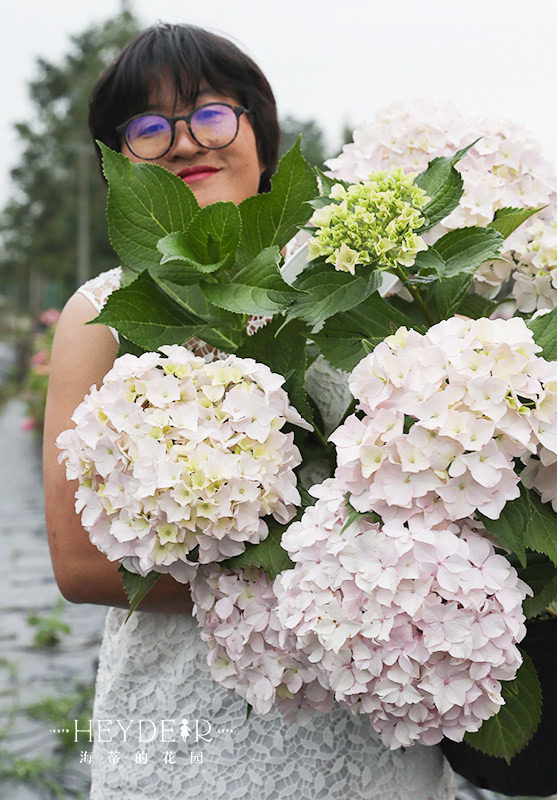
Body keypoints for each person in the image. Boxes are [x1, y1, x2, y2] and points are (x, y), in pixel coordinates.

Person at [42, 23, 455, 800]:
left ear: (260, 139)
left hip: (368, 705)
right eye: (148, 126)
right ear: (120, 163)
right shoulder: (102, 314)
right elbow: (80, 565)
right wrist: (318, 578)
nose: (182, 142)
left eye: (210, 113)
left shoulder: (354, 285)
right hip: (183, 736)